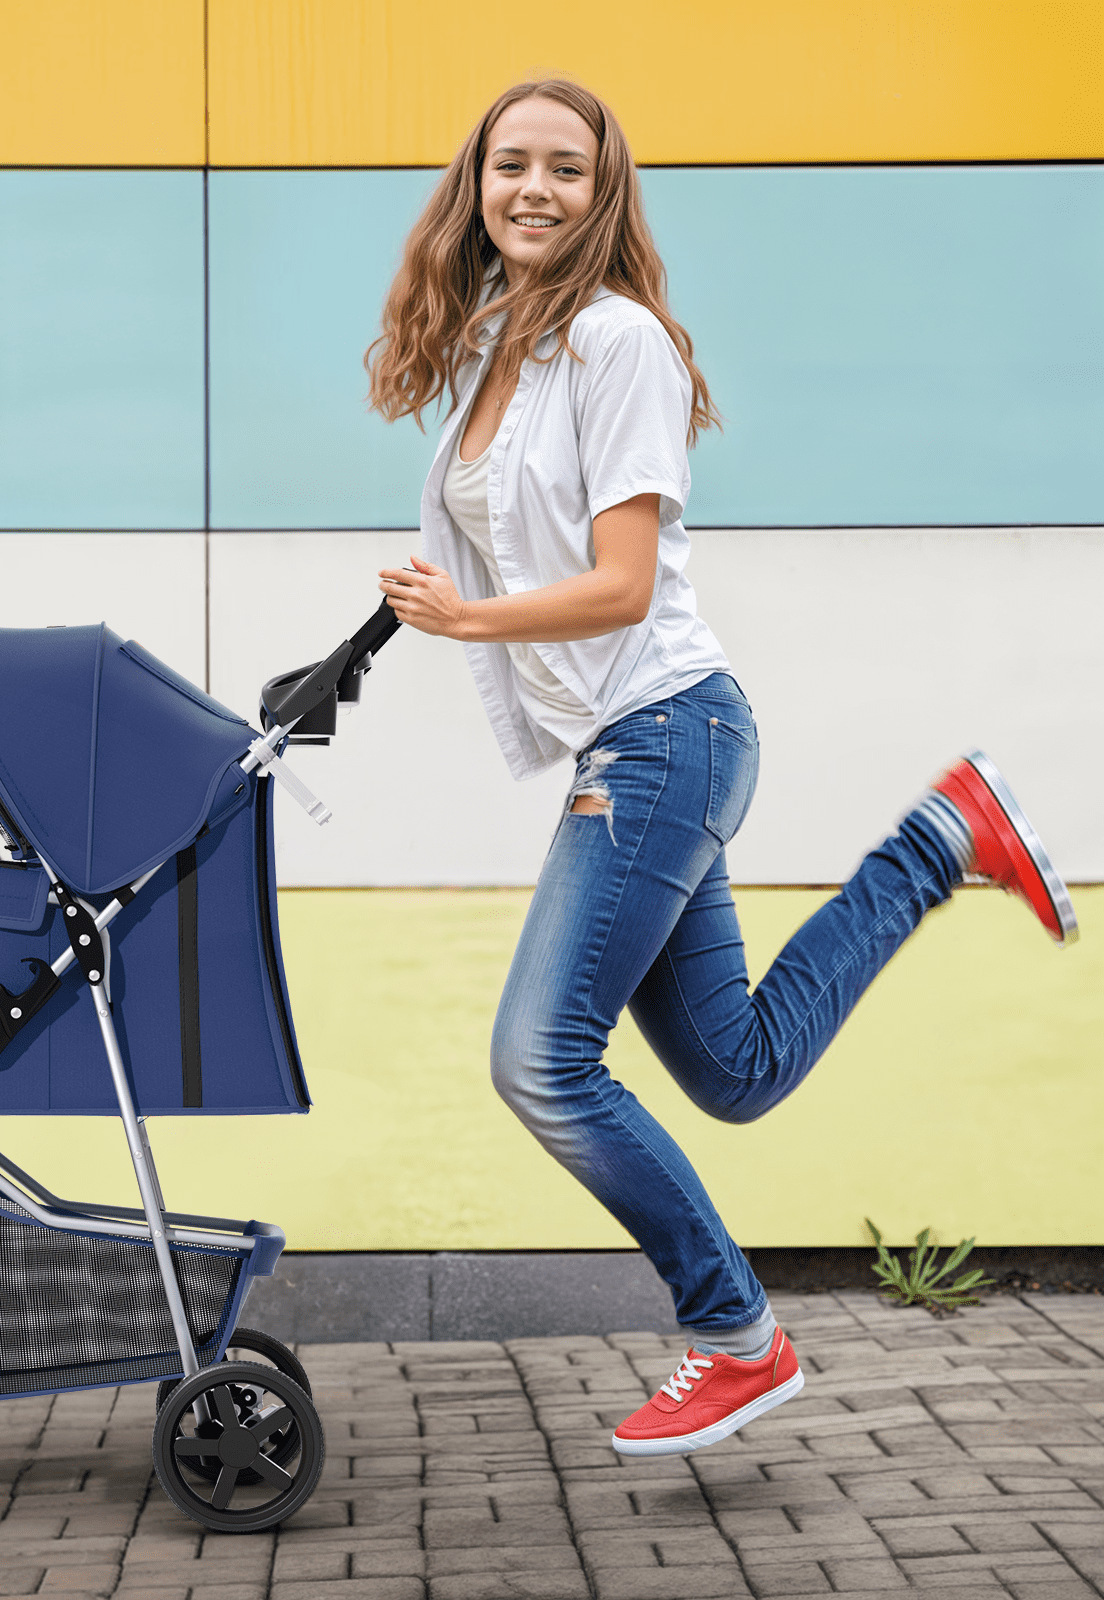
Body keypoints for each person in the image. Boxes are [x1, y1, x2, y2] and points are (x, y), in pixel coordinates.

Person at [366, 78, 1077, 1458]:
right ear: (474, 183)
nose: (534, 188)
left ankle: (738, 1335)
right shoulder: (503, 341)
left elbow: (624, 584)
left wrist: (468, 619)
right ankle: (945, 837)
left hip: (665, 732)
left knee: (541, 1063)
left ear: (604, 193)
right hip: (643, 738)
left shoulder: (616, 340)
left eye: (566, 168)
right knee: (737, 1071)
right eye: (511, 163)